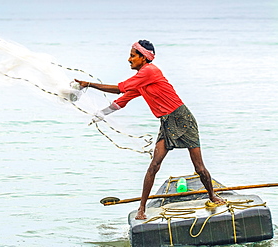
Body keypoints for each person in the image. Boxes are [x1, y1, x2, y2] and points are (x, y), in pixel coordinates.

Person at [75, 40, 225, 220]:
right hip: (166, 122)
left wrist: (88, 84)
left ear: (144, 57)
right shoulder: (142, 79)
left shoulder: (149, 71)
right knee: (154, 165)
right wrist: (100, 114)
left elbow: (118, 89)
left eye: (132, 55)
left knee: (199, 167)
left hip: (183, 119)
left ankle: (212, 196)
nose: (129, 59)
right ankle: (142, 209)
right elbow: (122, 100)